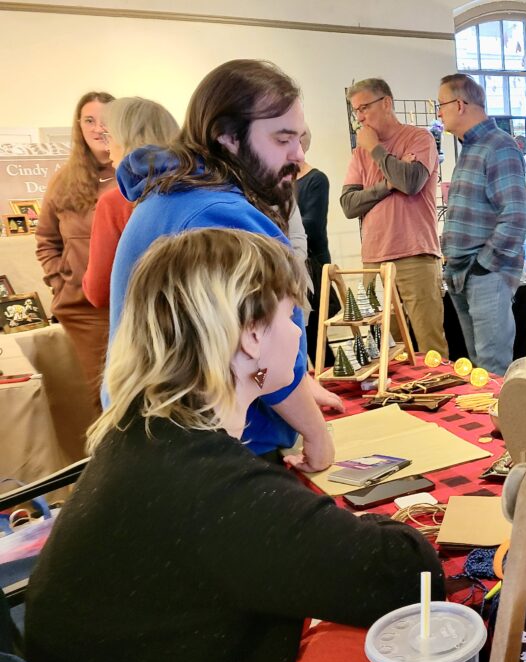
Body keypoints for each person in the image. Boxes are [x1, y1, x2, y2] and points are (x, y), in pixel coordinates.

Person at [25, 229, 444, 662]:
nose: (299, 333)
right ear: (250, 335)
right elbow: (410, 575)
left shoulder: (140, 435)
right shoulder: (205, 482)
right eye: (290, 316)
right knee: (413, 638)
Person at [109, 59, 340, 470]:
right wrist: (316, 431)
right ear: (227, 137)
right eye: (283, 139)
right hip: (223, 450)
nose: (298, 155)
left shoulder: (175, 196)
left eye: (299, 139)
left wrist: (298, 379)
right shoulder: (221, 215)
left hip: (170, 441)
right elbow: (259, 350)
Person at [341, 78, 448, 357]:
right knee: (387, 348)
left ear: (387, 103)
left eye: (364, 107)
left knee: (430, 344)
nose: (360, 117)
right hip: (375, 259)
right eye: (356, 111)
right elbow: (349, 204)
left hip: (415, 254)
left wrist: (377, 149)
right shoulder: (359, 153)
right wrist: (387, 185)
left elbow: (410, 182)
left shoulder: (419, 138)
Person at [438, 73, 526, 375]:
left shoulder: (499, 146)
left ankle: (503, 422)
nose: (439, 112)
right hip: (463, 272)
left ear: (460, 104)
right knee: (479, 368)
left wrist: (483, 264)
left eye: (441, 105)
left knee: (493, 367)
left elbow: (516, 216)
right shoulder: (471, 147)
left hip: (484, 273)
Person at [35, 91, 115, 401]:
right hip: (85, 310)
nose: (98, 128)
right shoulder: (63, 181)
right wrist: (62, 279)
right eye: (90, 121)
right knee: (104, 395)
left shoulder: (136, 175)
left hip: (136, 303)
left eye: (106, 120)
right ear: (79, 127)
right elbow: (46, 241)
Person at [84, 97, 179, 309]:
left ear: (125, 140)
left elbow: (98, 292)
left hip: (142, 328)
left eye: (109, 136)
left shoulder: (116, 202)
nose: (107, 147)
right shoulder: (199, 189)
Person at [294, 126, 334, 362]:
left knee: (317, 338)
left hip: (314, 266)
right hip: (292, 264)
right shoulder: (279, 183)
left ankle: (333, 388)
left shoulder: (316, 180)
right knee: (298, 336)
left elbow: (313, 225)